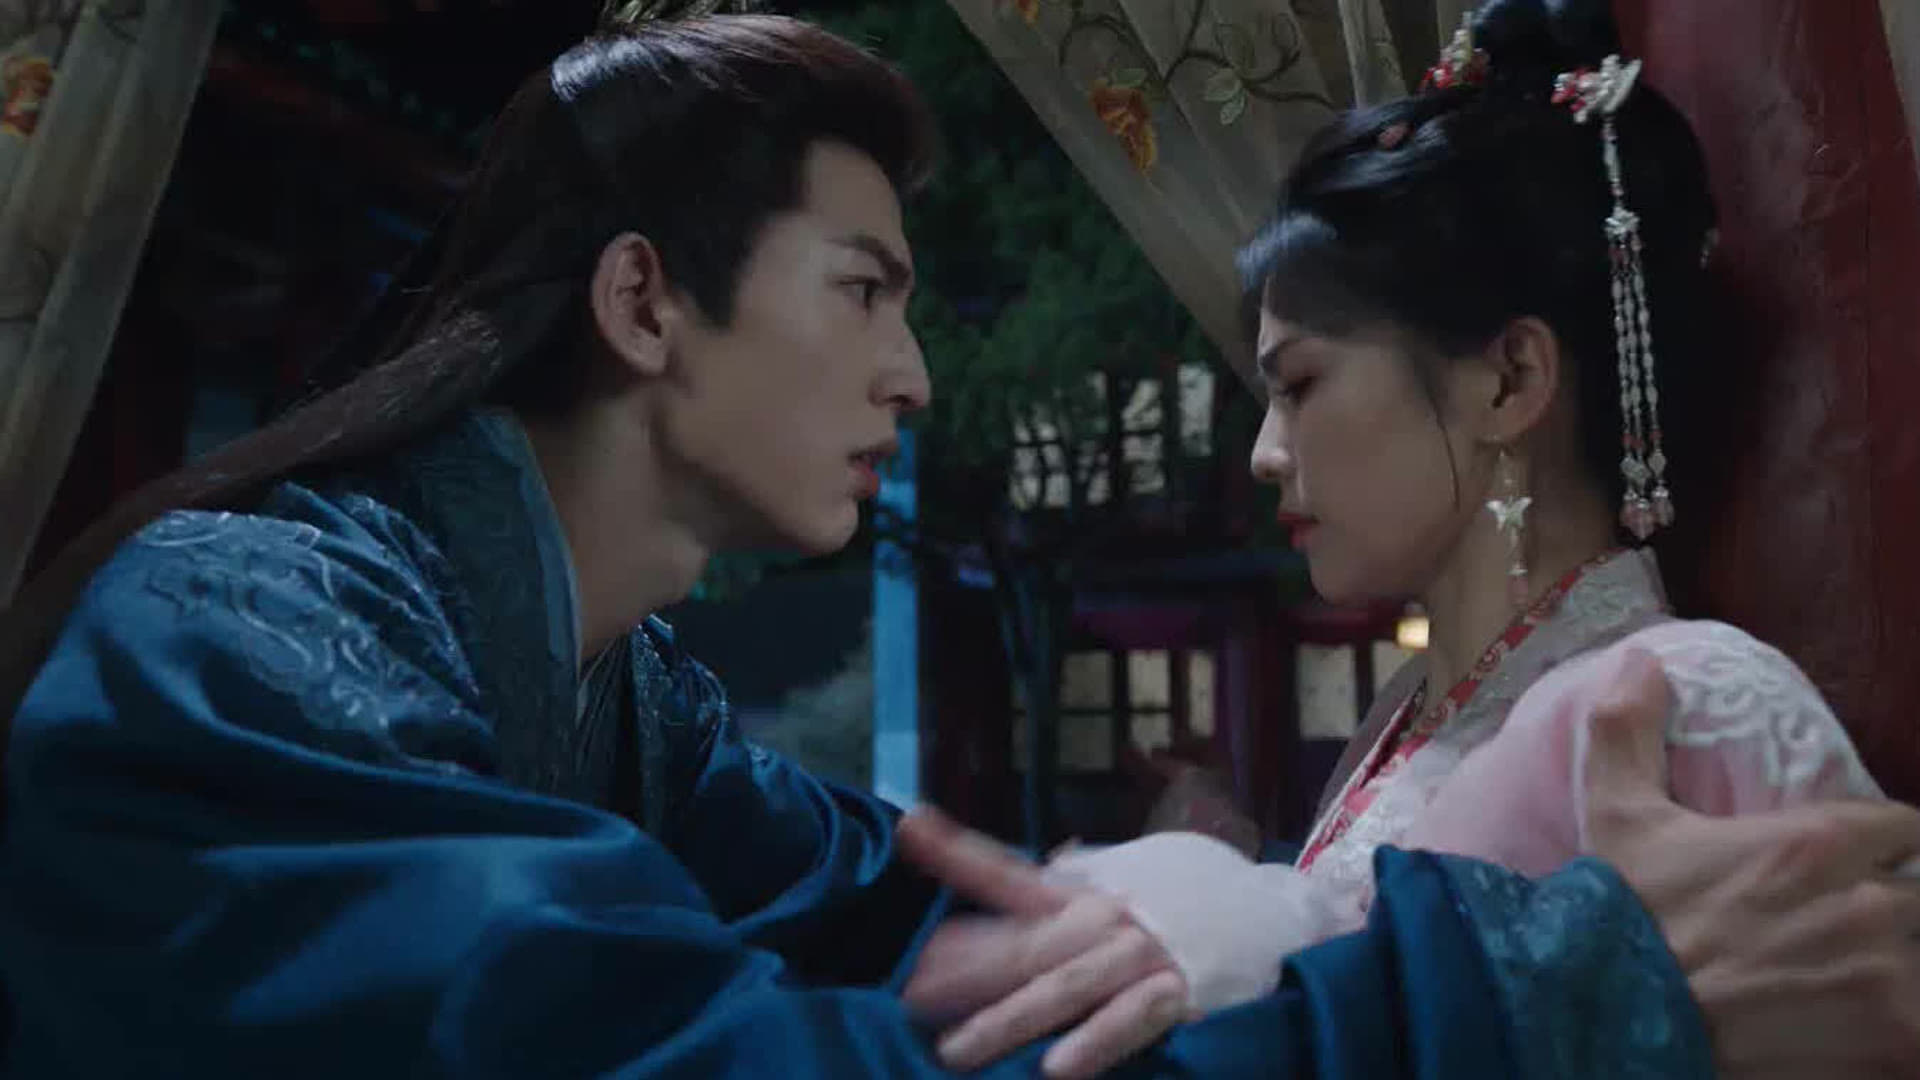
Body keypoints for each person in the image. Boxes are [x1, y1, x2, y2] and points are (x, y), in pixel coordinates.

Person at [0, 10, 1912, 1080]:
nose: (917, 375)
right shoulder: (241, 649)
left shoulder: (636, 717)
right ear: (646, 302)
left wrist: (1211, 908)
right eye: (865, 289)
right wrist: (1525, 992)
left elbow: (951, 937)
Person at [957, 0, 1919, 1073]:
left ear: (1509, 380)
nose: (1266, 453)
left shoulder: (1693, 697)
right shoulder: (1406, 719)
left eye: (1300, 384)